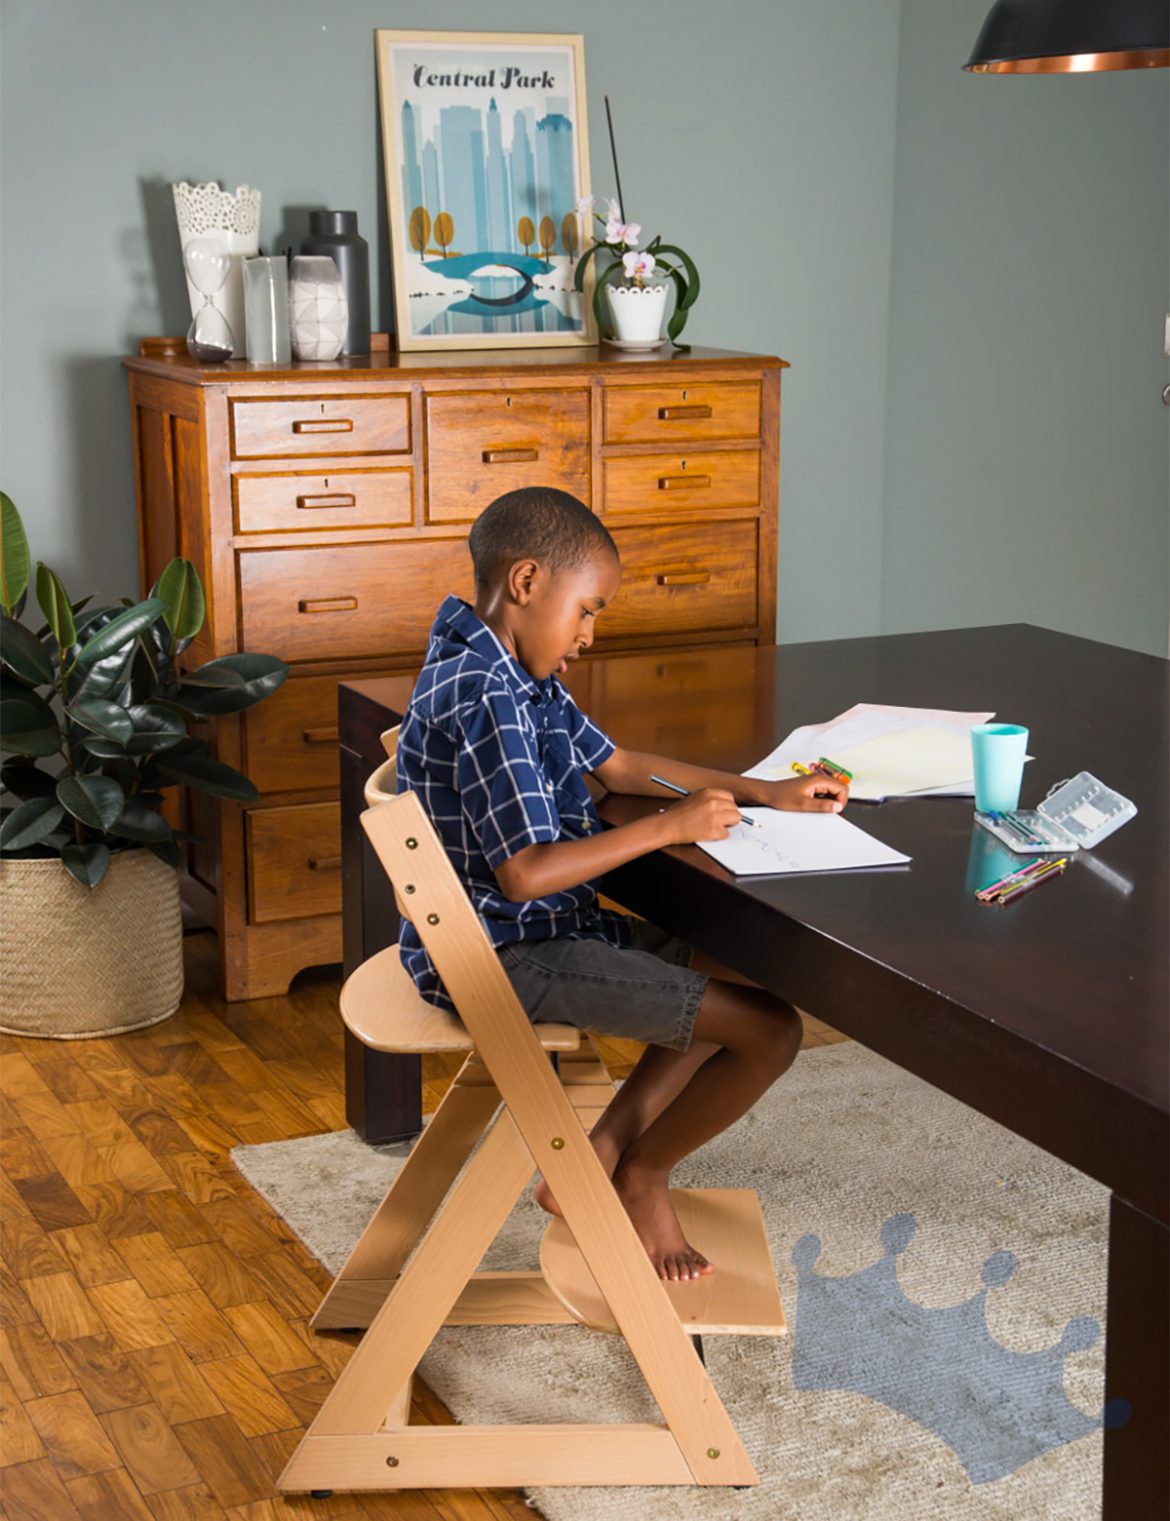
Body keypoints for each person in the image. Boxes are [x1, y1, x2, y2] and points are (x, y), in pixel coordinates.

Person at [397, 487, 849, 1282]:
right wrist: (670, 828)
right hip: (502, 954)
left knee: (741, 950)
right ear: (528, 582)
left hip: (523, 934)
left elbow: (619, 766)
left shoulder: (509, 670)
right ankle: (643, 1172)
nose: (589, 635)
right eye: (587, 610)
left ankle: (603, 1145)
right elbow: (526, 873)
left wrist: (762, 789)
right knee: (773, 1032)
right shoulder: (487, 694)